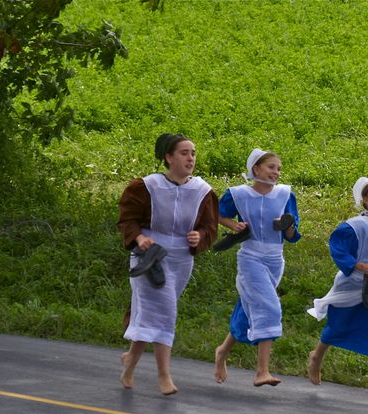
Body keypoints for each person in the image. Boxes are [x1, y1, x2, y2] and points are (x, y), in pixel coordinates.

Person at [117, 133, 218, 395]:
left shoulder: (202, 191)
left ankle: (130, 364)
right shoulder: (146, 186)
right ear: (168, 157)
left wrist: (200, 236)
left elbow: (209, 227)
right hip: (150, 255)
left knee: (153, 313)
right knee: (166, 311)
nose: (190, 158)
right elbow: (127, 219)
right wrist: (139, 237)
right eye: (184, 152)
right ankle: (164, 376)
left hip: (182, 258)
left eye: (193, 153)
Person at [306, 176, 368, 392]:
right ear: (365, 200)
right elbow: (340, 251)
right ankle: (316, 357)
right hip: (352, 283)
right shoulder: (353, 227)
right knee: (337, 326)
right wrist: (360, 266)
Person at [213, 148, 301, 387]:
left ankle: (222, 351)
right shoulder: (238, 194)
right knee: (269, 306)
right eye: (272, 167)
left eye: (279, 168)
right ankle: (262, 371)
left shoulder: (285, 195)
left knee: (249, 307)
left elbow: (293, 235)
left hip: (275, 260)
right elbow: (216, 214)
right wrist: (235, 226)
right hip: (250, 257)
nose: (276, 172)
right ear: (256, 169)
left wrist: (287, 227)